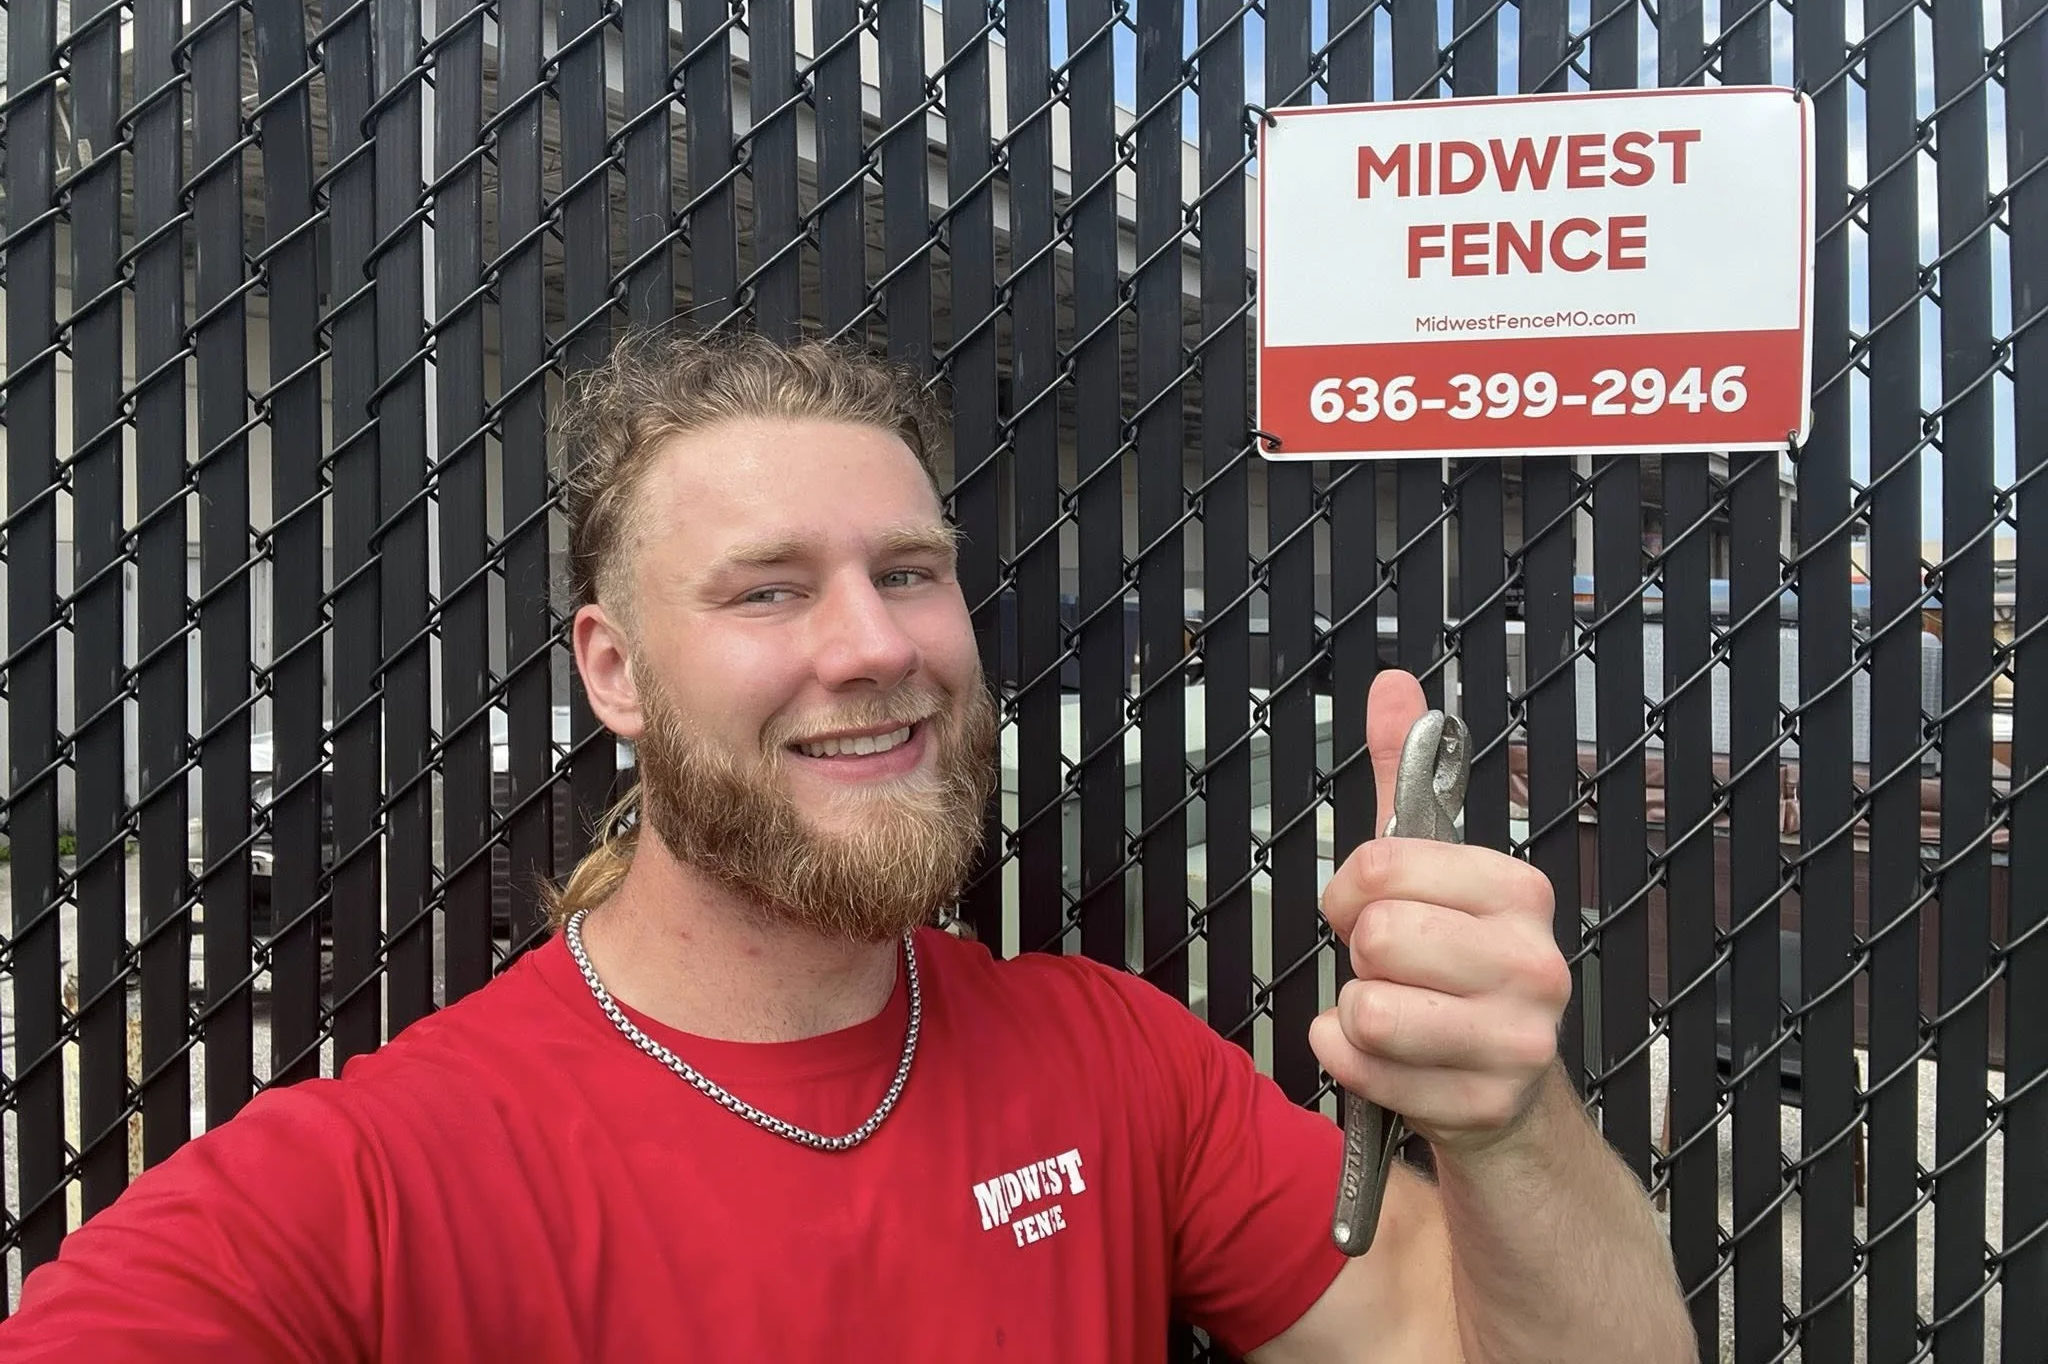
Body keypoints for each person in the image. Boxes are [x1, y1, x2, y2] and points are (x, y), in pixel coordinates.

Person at [0, 327, 1694, 1362]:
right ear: (615, 672)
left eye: (906, 571)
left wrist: (1509, 1119)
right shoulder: (373, 1185)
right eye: (766, 590)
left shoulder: (1109, 1069)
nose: (872, 644)